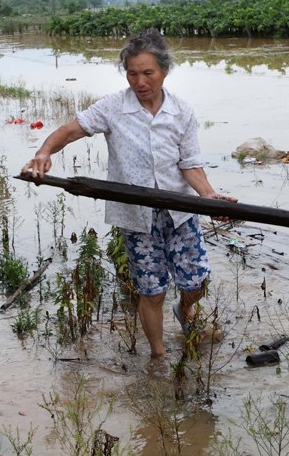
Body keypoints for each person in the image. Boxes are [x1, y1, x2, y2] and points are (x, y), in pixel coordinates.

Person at [22, 29, 236, 357]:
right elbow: (69, 131)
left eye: (148, 73)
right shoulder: (113, 108)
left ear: (164, 71)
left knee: (195, 281)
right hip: (136, 218)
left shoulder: (181, 111)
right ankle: (158, 355)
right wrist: (44, 152)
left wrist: (209, 196)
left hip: (178, 212)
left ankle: (187, 309)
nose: (140, 81)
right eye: (132, 73)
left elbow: (190, 164)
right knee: (152, 292)